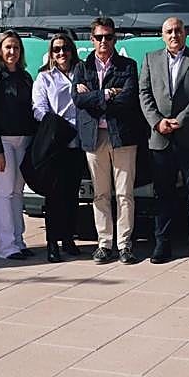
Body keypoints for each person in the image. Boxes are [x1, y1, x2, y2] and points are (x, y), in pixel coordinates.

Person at [140, 17, 189, 265]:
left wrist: (181, 119)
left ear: (185, 33)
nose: (174, 35)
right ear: (163, 36)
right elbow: (144, 93)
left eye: (178, 30)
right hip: (160, 138)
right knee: (163, 195)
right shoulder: (150, 59)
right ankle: (162, 245)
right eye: (169, 31)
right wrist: (157, 122)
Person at [73, 18, 144, 265]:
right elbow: (77, 100)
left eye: (109, 37)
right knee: (100, 194)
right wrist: (107, 94)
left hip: (122, 136)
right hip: (94, 137)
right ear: (92, 39)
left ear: (115, 39)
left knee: (125, 193)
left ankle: (124, 245)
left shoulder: (128, 66)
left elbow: (128, 99)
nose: (104, 41)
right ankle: (104, 244)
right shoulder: (82, 68)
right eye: (99, 37)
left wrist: (94, 97)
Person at [0, 30, 37, 261]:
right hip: (2, 142)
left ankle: (18, 241)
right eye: (8, 47)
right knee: (4, 192)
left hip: (24, 141)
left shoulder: (26, 78)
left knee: (17, 192)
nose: (12, 51)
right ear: (0, 51)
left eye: (16, 47)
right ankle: (6, 246)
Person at [33, 32, 86, 262]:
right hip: (56, 143)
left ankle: (68, 239)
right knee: (54, 196)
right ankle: (52, 243)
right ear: (51, 53)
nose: (61, 53)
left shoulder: (82, 73)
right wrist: (55, 126)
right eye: (56, 49)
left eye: (65, 48)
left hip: (78, 142)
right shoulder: (44, 78)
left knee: (72, 194)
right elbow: (39, 108)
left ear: (72, 50)